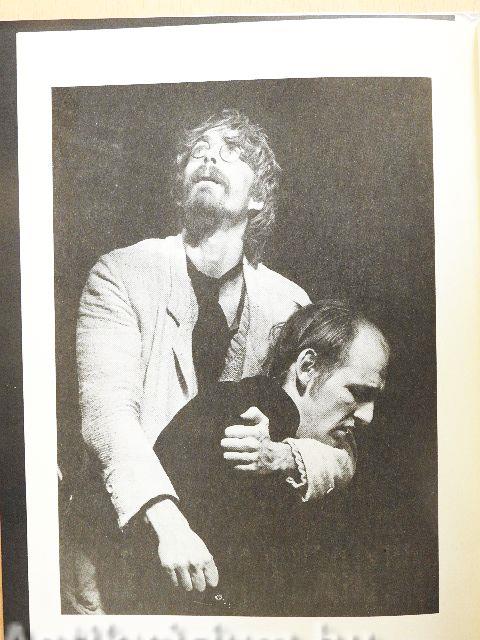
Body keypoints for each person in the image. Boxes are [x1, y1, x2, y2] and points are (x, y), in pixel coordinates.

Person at [64, 110, 357, 613]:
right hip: (123, 540)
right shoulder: (121, 273)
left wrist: (282, 456)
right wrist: (169, 523)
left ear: (259, 198)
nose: (209, 157)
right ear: (181, 190)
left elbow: (340, 443)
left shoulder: (288, 303)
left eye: (232, 153)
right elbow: (108, 418)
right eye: (198, 151)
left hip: (228, 563)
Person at [129, 301, 390, 615]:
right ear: (308, 367)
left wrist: (287, 457)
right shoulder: (245, 418)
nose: (368, 417)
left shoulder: (266, 419)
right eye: (358, 393)